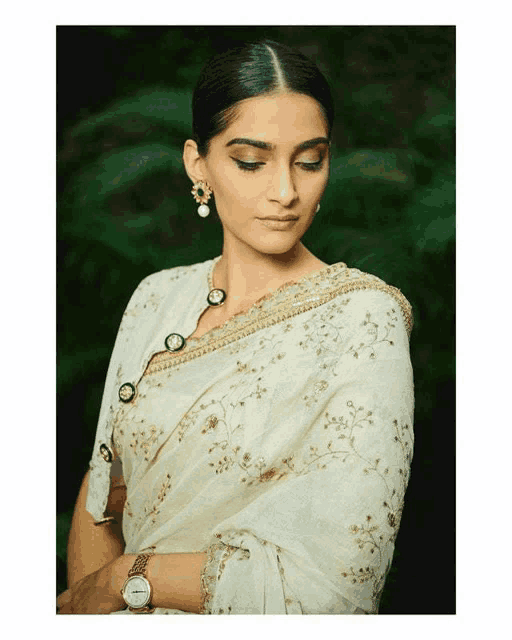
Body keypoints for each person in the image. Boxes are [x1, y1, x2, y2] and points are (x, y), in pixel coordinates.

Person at [57, 39, 414, 615]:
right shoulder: (155, 298)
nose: (285, 192)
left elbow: (338, 581)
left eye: (309, 160)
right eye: (251, 162)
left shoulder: (361, 319)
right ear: (198, 163)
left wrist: (129, 578)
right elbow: (103, 494)